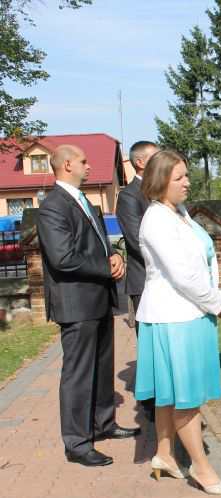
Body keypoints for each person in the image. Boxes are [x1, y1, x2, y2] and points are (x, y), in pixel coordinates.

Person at [135, 150, 221, 495]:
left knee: (170, 394)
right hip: (174, 317)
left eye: (187, 175)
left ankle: (164, 455)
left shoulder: (178, 213)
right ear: (160, 181)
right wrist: (217, 301)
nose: (187, 182)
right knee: (185, 396)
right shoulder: (157, 220)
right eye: (179, 178)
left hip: (187, 313)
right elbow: (183, 276)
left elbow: (201, 257)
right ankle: (201, 469)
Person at [36, 145, 138, 467]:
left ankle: (103, 424)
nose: (89, 165)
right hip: (76, 303)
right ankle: (78, 443)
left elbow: (101, 243)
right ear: (67, 164)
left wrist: (116, 255)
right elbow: (63, 258)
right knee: (78, 375)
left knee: (102, 366)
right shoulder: (53, 206)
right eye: (83, 160)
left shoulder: (86, 202)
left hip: (99, 299)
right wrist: (105, 267)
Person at [117, 141, 159, 420]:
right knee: (149, 343)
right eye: (156, 156)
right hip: (145, 280)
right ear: (141, 162)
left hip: (168, 281)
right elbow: (136, 240)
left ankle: (166, 394)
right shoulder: (129, 196)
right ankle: (151, 401)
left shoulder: (160, 191)